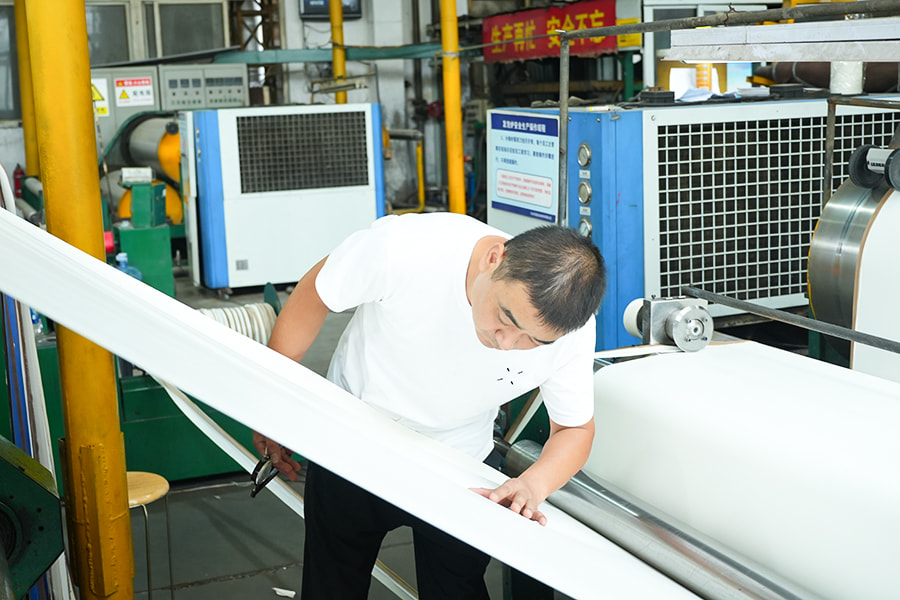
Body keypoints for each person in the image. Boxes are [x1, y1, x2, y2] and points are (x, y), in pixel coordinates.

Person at [253, 211, 606, 599]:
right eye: (505, 317)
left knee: (456, 588)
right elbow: (317, 292)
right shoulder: (407, 248)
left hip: (459, 463)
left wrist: (532, 485)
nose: (506, 343)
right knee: (332, 585)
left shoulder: (571, 333)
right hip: (355, 438)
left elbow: (574, 429)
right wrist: (272, 400)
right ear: (495, 258)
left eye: (532, 341)